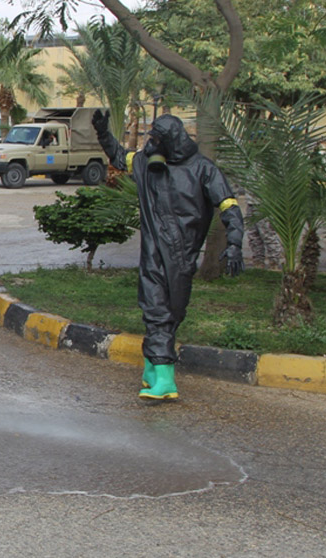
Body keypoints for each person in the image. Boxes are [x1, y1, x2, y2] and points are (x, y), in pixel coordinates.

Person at [93, 109, 245, 400]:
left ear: (170, 140)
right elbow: (118, 155)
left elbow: (228, 205)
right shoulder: (147, 164)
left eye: (157, 138)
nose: (151, 142)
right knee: (157, 312)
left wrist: (235, 242)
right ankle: (160, 375)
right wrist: (102, 132)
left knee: (170, 313)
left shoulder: (203, 169)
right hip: (153, 254)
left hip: (181, 256)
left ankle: (158, 370)